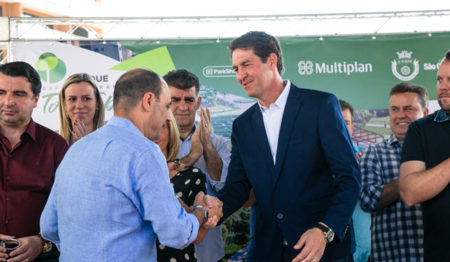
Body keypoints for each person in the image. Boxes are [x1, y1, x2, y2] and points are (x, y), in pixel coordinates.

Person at [40, 68, 222, 262]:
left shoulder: (76, 150)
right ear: (149, 101)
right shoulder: (144, 153)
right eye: (167, 106)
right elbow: (176, 233)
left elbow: (48, 227)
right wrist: (201, 210)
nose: (169, 117)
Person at [212, 31, 360, 262]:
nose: (240, 75)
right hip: (267, 251)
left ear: (271, 60)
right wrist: (213, 209)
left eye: (246, 65)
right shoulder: (242, 125)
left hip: (321, 251)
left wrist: (325, 230)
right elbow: (238, 187)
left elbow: (349, 177)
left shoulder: (320, 106)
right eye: (236, 69)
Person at [0, 61, 68, 262]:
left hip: (40, 258)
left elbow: (70, 209)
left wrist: (42, 242)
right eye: (1, 92)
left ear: (36, 99)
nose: (8, 101)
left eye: (19, 94)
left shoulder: (55, 146)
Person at [163, 69, 231, 262]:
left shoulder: (218, 142)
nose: (183, 106)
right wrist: (193, 155)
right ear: (165, 102)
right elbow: (159, 177)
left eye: (189, 100)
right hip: (166, 251)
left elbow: (222, 184)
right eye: (175, 100)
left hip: (207, 251)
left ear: (199, 103)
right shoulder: (153, 142)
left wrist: (206, 144)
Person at [360, 82, 429, 262]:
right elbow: (368, 200)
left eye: (408, 109)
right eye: (394, 109)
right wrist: (414, 179)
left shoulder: (441, 152)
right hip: (391, 256)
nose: (400, 115)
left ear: (426, 113)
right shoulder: (373, 153)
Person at [399, 50, 450, 262]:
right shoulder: (421, 129)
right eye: (440, 79)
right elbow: (410, 192)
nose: (443, 86)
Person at [154, 111, 208, 262]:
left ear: (171, 131)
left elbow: (198, 236)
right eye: (149, 127)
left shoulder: (193, 176)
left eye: (161, 127)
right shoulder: (129, 176)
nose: (154, 133)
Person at [339, 99, 370, 262]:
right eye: (336, 122)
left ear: (352, 126)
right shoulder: (311, 162)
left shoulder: (368, 156)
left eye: (346, 122)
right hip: (333, 251)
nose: (342, 127)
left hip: (369, 251)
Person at [58, 73, 105, 145]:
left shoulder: (112, 141)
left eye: (86, 98)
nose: (79, 106)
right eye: (72, 99)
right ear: (64, 105)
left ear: (97, 103)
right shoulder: (54, 142)